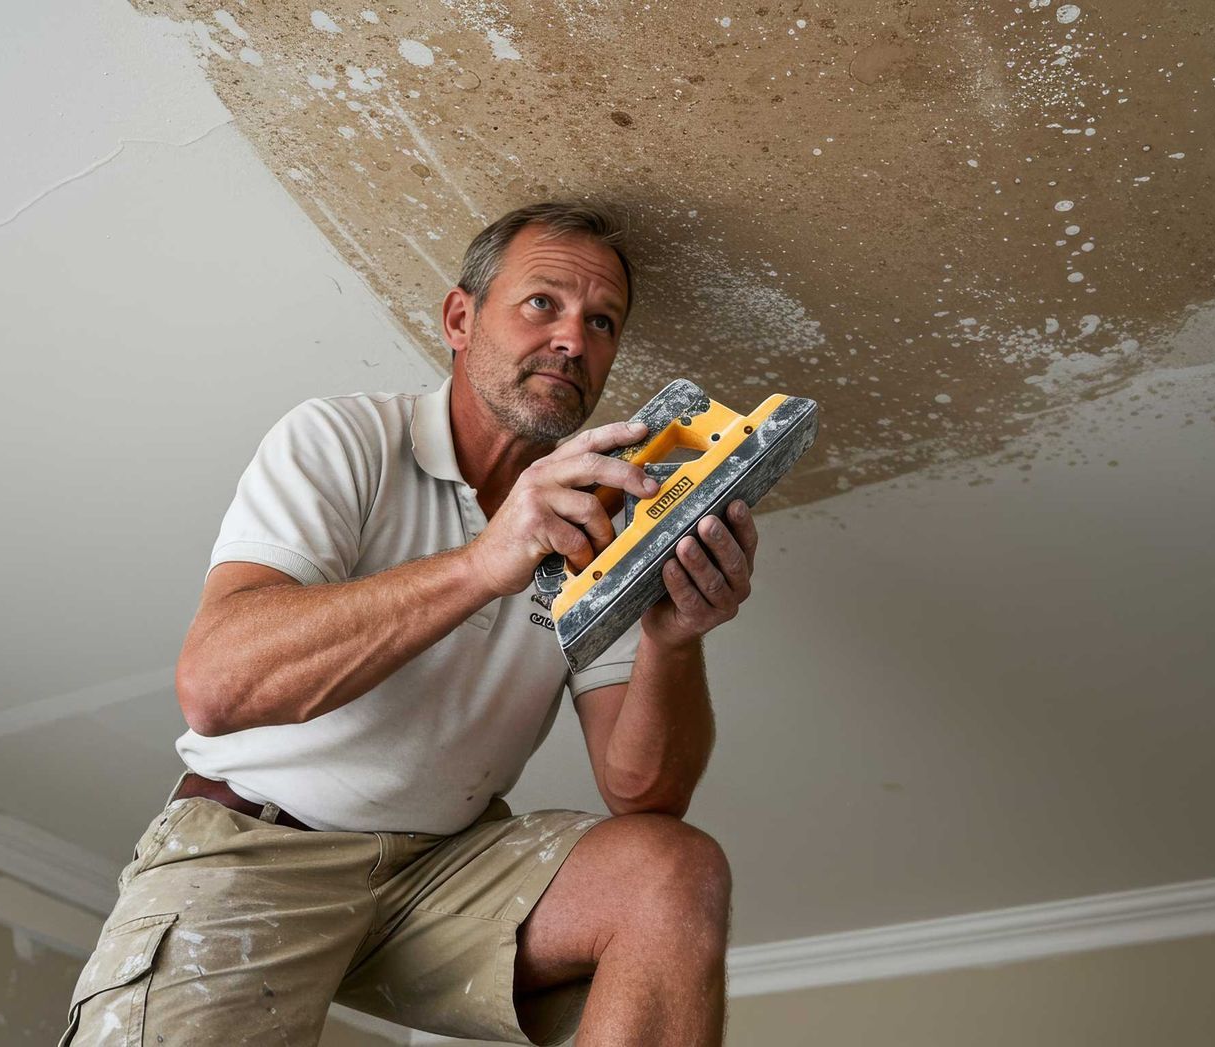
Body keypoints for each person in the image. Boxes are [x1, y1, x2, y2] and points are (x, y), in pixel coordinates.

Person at [61, 201, 758, 1046]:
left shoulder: (598, 514)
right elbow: (216, 687)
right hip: (257, 848)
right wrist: (481, 562)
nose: (575, 338)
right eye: (543, 303)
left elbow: (645, 793)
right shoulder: (345, 438)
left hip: (441, 869)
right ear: (460, 318)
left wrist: (670, 641)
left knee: (671, 873)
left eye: (602, 320)